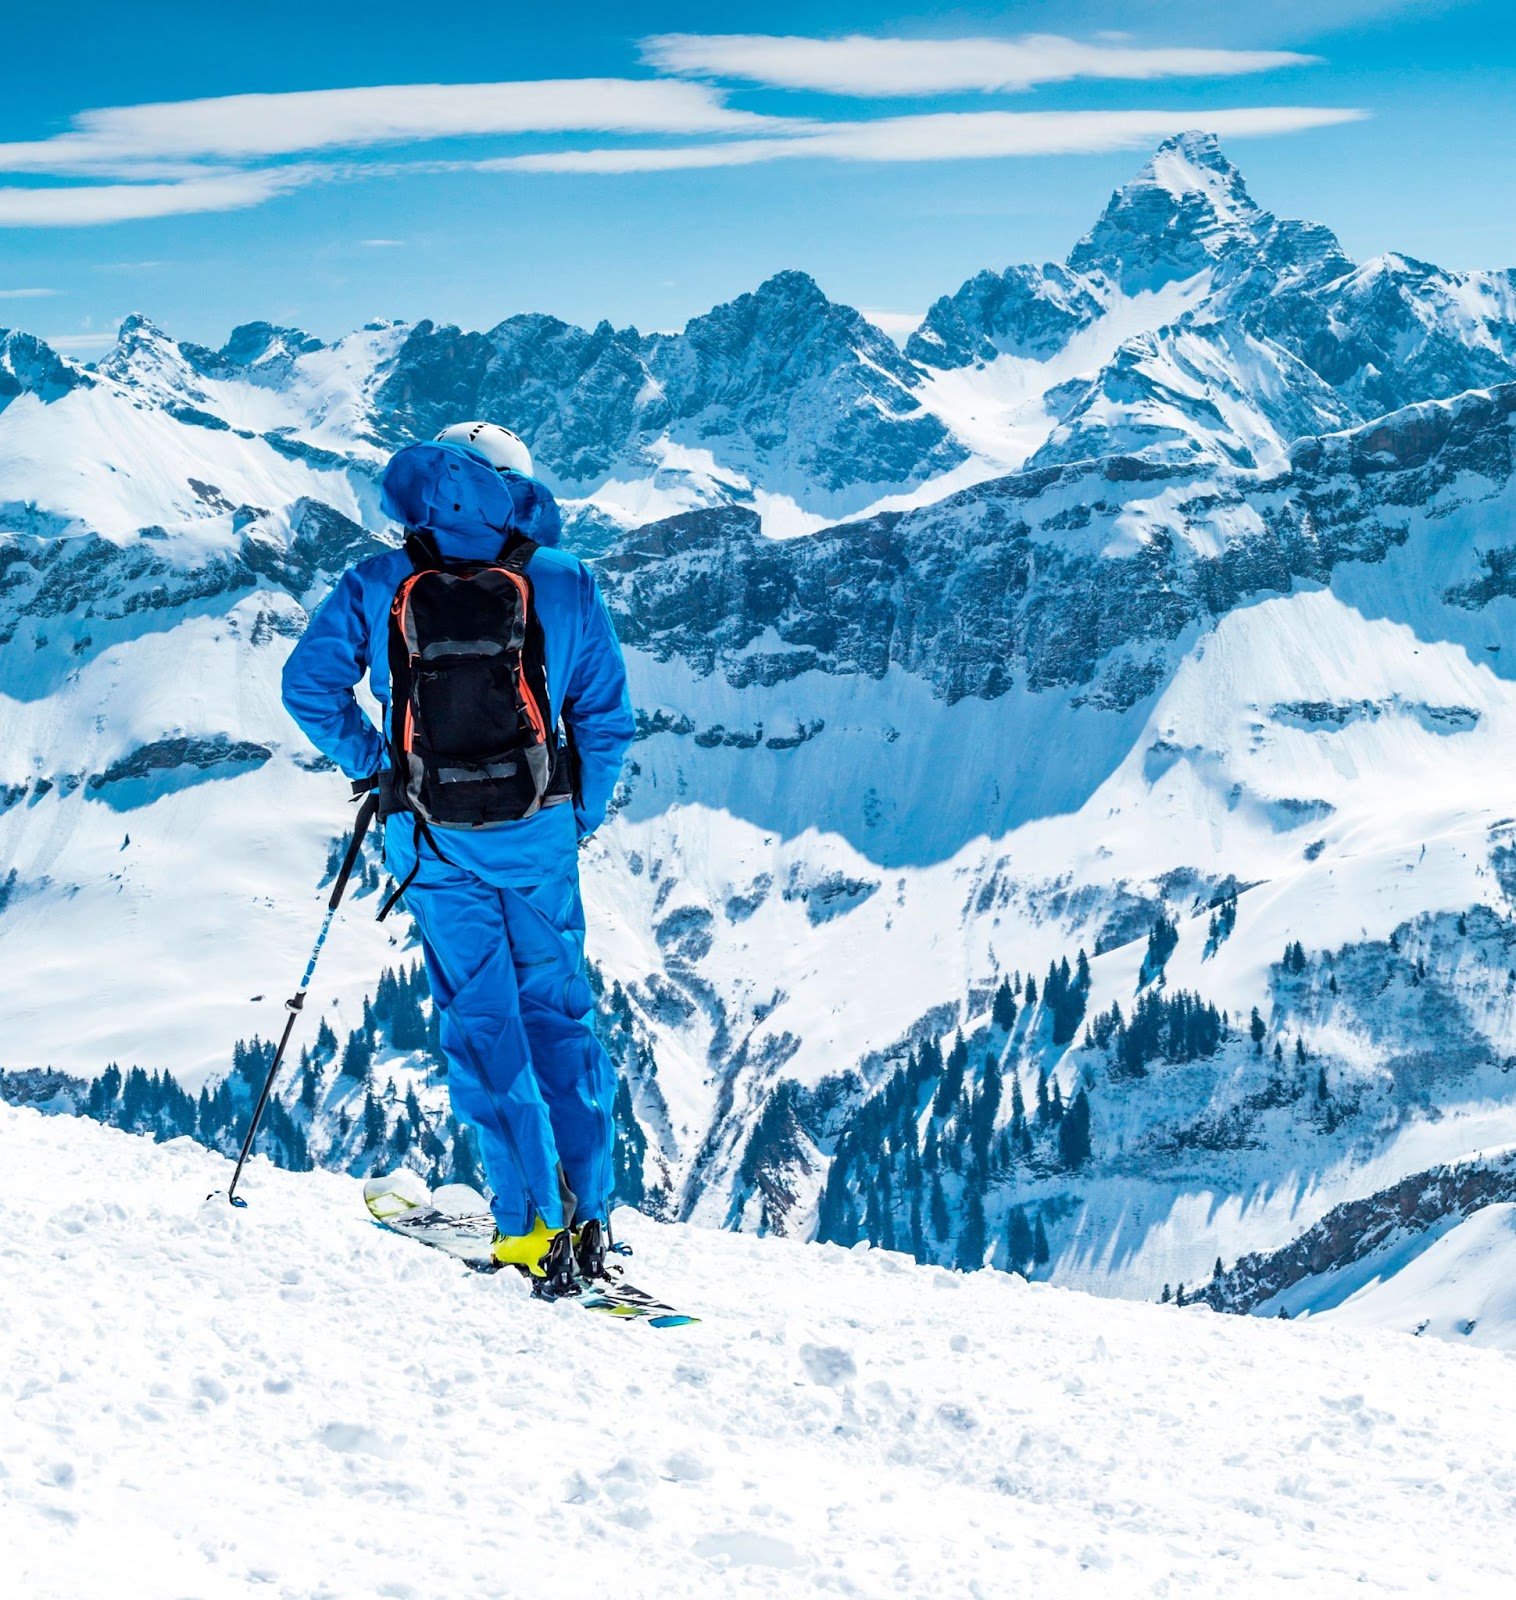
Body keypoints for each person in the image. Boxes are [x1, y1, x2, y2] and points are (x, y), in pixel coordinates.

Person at [281, 421, 635, 1297]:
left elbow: (307, 686)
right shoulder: (563, 581)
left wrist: (378, 766)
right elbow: (605, 721)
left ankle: (526, 1233)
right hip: (539, 836)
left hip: (433, 839)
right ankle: (588, 1222)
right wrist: (572, 817)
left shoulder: (377, 581)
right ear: (520, 490)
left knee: (484, 1025)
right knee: (562, 1020)